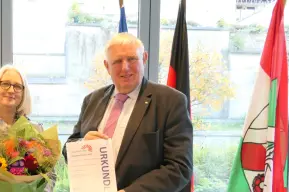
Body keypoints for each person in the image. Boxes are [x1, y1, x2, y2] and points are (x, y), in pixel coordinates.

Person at [62, 33, 193, 192]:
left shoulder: (171, 101)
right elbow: (69, 149)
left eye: (132, 59)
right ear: (107, 66)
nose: (125, 67)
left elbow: (179, 167)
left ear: (144, 58)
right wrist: (83, 145)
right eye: (117, 61)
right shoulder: (92, 100)